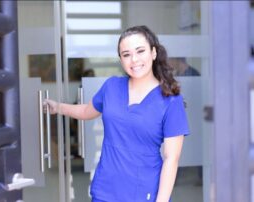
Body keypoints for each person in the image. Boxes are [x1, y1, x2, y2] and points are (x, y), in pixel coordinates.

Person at [43, 25, 189, 202]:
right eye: (126, 54)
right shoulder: (111, 86)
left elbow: (171, 158)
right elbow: (86, 111)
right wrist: (57, 107)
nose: (134, 59)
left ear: (153, 53)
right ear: (121, 60)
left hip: (144, 193)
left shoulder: (171, 100)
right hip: (105, 190)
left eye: (140, 51)